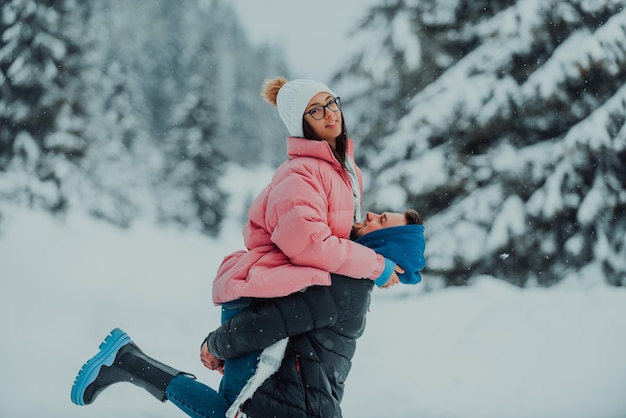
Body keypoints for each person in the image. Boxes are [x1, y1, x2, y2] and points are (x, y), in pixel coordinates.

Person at [70, 210, 426, 418]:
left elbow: (276, 322)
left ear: (387, 242)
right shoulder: (348, 279)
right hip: (300, 401)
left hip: (303, 404)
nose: (368, 215)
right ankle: (127, 362)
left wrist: (219, 345)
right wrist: (227, 347)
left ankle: (128, 362)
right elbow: (278, 321)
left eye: (380, 220)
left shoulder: (348, 285)